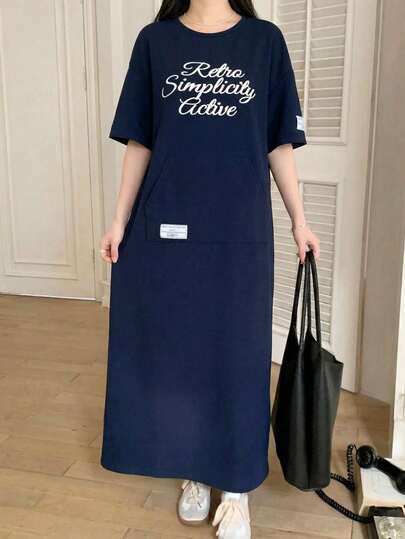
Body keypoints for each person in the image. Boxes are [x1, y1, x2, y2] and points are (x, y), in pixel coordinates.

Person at [100, 1, 320, 537]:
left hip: (240, 231)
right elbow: (140, 139)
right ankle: (194, 469)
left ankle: (237, 485)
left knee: (238, 355)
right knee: (180, 356)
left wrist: (300, 220)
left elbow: (278, 141)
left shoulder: (264, 42)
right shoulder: (155, 42)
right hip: (168, 228)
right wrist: (119, 220)